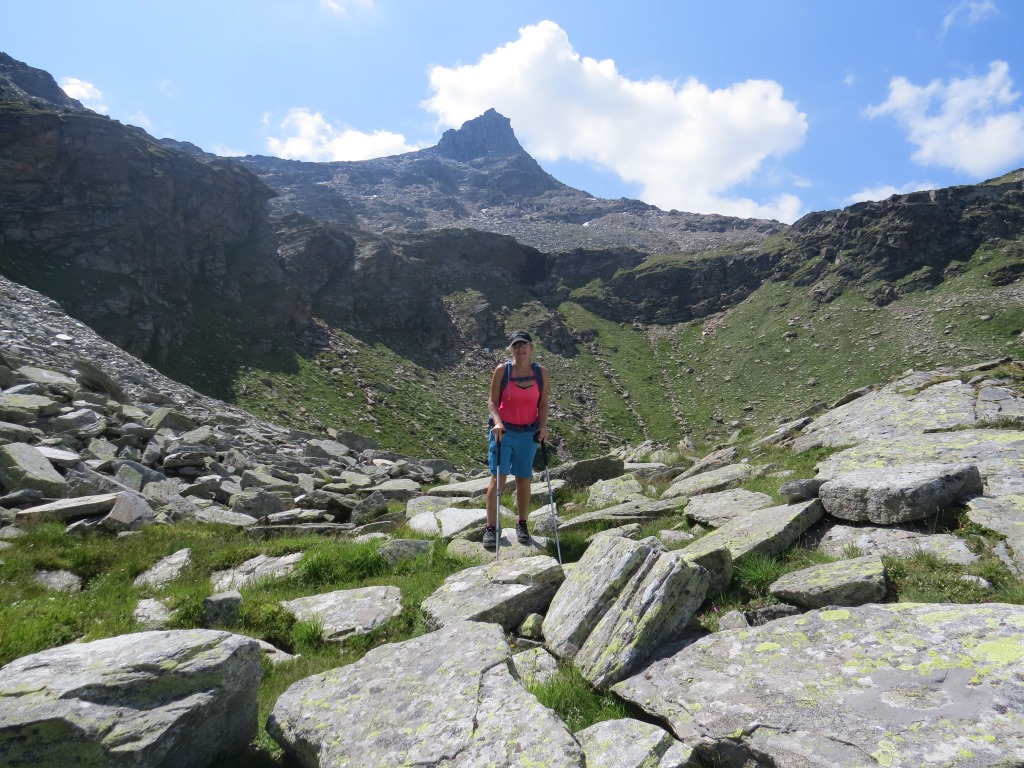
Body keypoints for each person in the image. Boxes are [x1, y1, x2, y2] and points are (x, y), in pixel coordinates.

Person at [483, 329, 550, 548]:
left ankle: (521, 523)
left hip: (528, 434)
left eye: (524, 345)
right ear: (511, 349)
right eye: (516, 346)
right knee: (498, 479)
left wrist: (543, 426)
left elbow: (543, 404)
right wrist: (497, 422)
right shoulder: (502, 371)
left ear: (531, 348)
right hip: (504, 433)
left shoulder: (541, 373)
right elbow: (492, 402)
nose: (520, 349)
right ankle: (491, 528)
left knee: (523, 479)